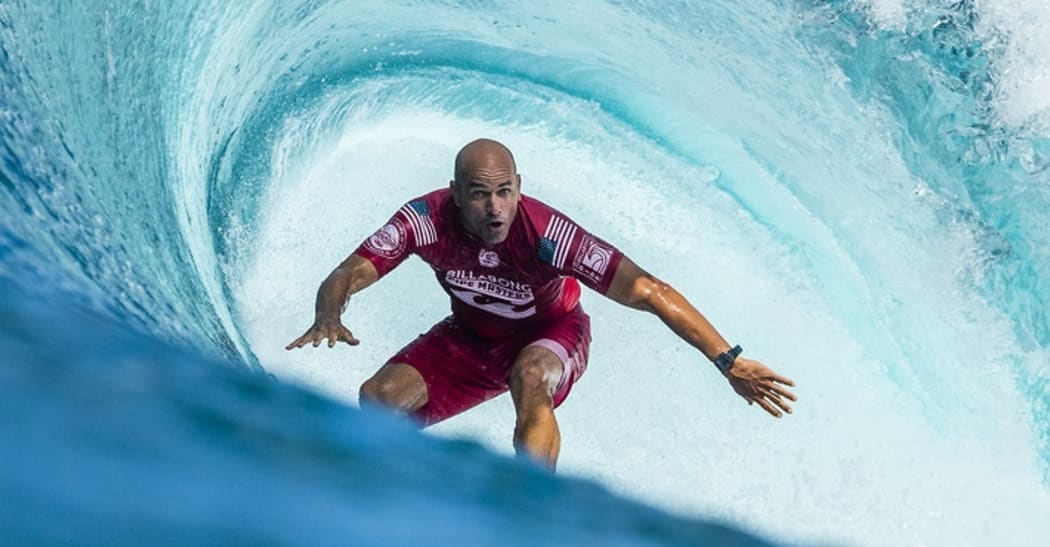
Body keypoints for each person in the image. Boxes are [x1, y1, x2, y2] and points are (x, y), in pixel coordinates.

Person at [287, 138, 796, 470]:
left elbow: (650, 291)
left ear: (519, 188)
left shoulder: (549, 236)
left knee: (530, 377)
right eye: (481, 195)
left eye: (505, 192)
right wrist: (329, 313)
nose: (495, 208)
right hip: (470, 341)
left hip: (552, 336)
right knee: (377, 399)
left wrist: (728, 361)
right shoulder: (426, 219)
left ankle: (531, 507)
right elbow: (349, 271)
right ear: (456, 194)